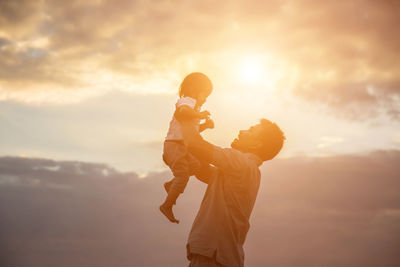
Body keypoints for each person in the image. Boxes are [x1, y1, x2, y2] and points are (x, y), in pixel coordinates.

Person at [180, 118, 285, 267]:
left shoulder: (241, 162)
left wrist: (187, 113)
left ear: (257, 144)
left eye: (250, 130)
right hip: (220, 256)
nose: (242, 131)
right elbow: (202, 171)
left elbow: (195, 145)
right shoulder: (248, 170)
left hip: (212, 256)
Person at [160, 72, 215, 224]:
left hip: (181, 146)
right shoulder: (187, 101)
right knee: (183, 175)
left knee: (196, 166)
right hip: (174, 146)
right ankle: (166, 205)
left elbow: (191, 131)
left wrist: (205, 125)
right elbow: (183, 111)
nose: (205, 100)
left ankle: (171, 184)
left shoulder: (194, 109)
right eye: (205, 95)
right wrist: (201, 115)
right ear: (194, 90)